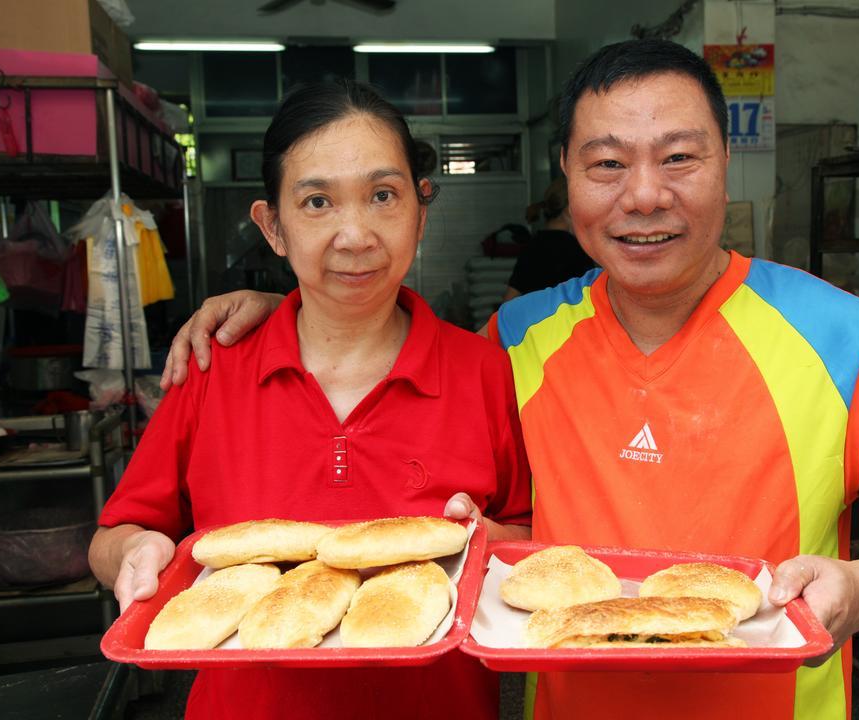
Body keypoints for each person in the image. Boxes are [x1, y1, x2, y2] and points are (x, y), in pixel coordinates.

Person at [161, 40, 859, 720]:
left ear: (724, 165)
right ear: (565, 174)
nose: (644, 196)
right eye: (606, 165)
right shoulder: (514, 342)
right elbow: (378, 337)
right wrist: (274, 304)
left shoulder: (835, 333)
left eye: (678, 158)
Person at [89, 80, 531, 720]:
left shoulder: (486, 371)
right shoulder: (213, 368)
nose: (355, 235)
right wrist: (136, 555)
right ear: (273, 226)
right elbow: (115, 535)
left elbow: (529, 537)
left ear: (420, 210)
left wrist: (483, 543)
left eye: (383, 196)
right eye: (318, 201)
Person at [504, 177, 596, 301]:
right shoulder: (577, 251)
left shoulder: (533, 245)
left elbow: (509, 298)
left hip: (536, 319)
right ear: (570, 210)